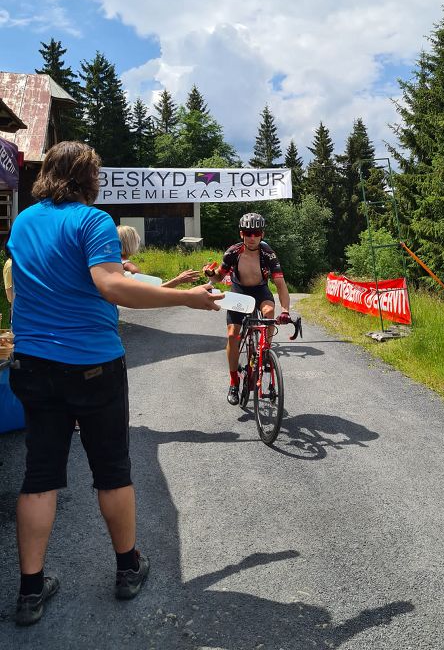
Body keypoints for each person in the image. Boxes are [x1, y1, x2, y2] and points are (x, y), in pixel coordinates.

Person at [8, 141, 223, 627]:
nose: (100, 181)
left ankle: (30, 591)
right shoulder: (93, 221)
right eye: (97, 174)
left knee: (40, 476)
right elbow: (110, 284)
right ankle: (127, 568)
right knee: (111, 470)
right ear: (85, 177)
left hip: (33, 364)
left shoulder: (23, 221)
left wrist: (166, 287)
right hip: (92, 364)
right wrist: (185, 299)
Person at [202, 212, 291, 405]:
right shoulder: (233, 252)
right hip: (239, 291)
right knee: (233, 335)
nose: (252, 237)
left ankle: (265, 352)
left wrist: (285, 311)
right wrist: (210, 274)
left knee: (269, 312)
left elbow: (280, 285)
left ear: (262, 234)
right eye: (247, 233)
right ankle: (234, 382)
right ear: (241, 234)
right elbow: (219, 276)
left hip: (260, 290)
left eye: (256, 233)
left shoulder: (268, 254)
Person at [116, 225, 201, 287]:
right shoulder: (130, 268)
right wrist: (178, 280)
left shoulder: (113, 263)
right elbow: (150, 292)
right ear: (132, 243)